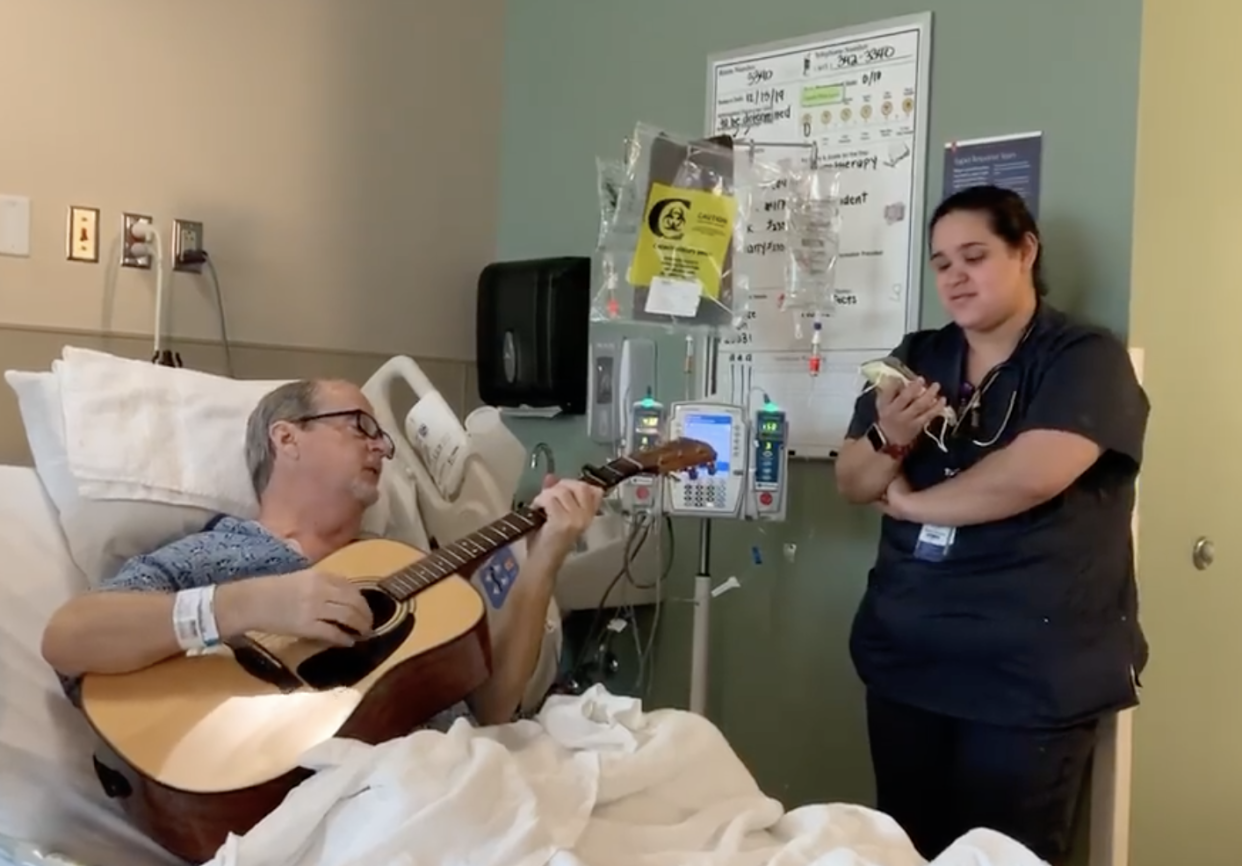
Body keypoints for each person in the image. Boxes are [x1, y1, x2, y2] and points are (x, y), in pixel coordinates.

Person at [834, 185, 1149, 864]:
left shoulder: (1082, 359)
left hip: (1026, 677)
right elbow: (852, 482)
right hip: (909, 664)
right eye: (941, 263)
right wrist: (889, 438)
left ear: (1025, 250)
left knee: (1005, 854)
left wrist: (914, 505)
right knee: (907, 849)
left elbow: (1032, 472)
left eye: (974, 255)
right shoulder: (916, 357)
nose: (955, 276)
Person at [41, 378, 602, 729]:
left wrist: (545, 556)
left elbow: (494, 711)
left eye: (382, 437)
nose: (382, 446)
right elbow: (69, 636)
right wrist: (247, 605)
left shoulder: (400, 568)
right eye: (361, 426)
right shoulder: (218, 555)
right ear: (286, 439)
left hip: (448, 778)